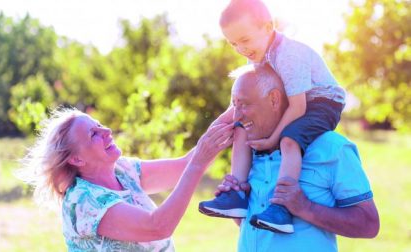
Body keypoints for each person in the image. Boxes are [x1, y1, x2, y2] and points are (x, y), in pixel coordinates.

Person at [199, 0, 346, 234]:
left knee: (289, 140)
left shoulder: (288, 55)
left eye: (244, 40)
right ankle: (236, 193)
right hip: (295, 98)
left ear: (268, 28)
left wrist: (271, 141)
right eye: (233, 43)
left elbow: (298, 107)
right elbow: (235, 108)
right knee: (241, 126)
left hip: (322, 101)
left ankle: (281, 208)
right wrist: (217, 127)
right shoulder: (257, 54)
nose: (240, 49)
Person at [19, 107, 233, 251]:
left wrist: (238, 104)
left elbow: (182, 167)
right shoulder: (83, 201)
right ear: (76, 159)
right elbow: (157, 227)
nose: (107, 131)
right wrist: (197, 165)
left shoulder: (122, 170)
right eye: (93, 134)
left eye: (100, 124)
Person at [214, 64, 379, 251]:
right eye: (235, 105)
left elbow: (369, 224)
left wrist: (305, 208)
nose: (237, 116)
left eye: (244, 105)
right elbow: (249, 226)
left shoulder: (332, 147)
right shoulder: (248, 152)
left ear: (274, 99)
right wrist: (238, 201)